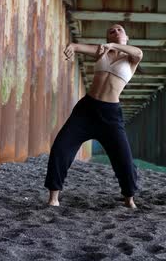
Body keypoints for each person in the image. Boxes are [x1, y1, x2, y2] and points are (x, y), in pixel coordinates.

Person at [44, 24, 142, 208]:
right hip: (86, 110)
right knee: (61, 149)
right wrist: (71, 47)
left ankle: (129, 198)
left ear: (126, 37)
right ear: (107, 38)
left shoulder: (131, 58)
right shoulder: (101, 52)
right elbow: (77, 46)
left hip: (110, 116)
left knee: (124, 160)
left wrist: (114, 46)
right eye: (111, 31)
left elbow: (138, 53)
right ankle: (53, 198)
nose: (115, 32)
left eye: (119, 29)